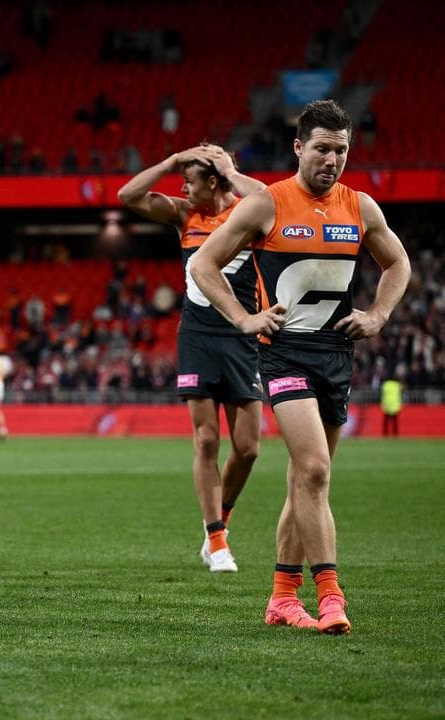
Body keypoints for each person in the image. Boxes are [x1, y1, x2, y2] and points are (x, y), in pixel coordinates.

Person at [192, 99, 410, 634]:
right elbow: (203, 263)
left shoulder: (360, 208)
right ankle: (330, 594)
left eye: (340, 150)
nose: (331, 160)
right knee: (312, 468)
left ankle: (281, 599)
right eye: (321, 149)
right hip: (282, 352)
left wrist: (379, 313)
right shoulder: (267, 204)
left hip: (335, 355)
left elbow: (397, 262)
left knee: (307, 484)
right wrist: (244, 318)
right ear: (298, 148)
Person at [117, 143, 268, 574]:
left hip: (244, 333)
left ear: (216, 181)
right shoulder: (186, 214)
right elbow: (128, 197)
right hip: (199, 335)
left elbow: (271, 199)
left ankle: (219, 522)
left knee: (249, 448)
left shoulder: (249, 212)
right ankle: (217, 540)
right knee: (206, 440)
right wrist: (168, 162)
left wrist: (230, 170)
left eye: (190, 179)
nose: (182, 186)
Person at [380, 369, 403, 437]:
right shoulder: (397, 385)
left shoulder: (385, 385)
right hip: (395, 406)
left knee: (386, 423)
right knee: (395, 423)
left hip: (387, 406)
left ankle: (385, 435)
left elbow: (382, 394)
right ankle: (395, 435)